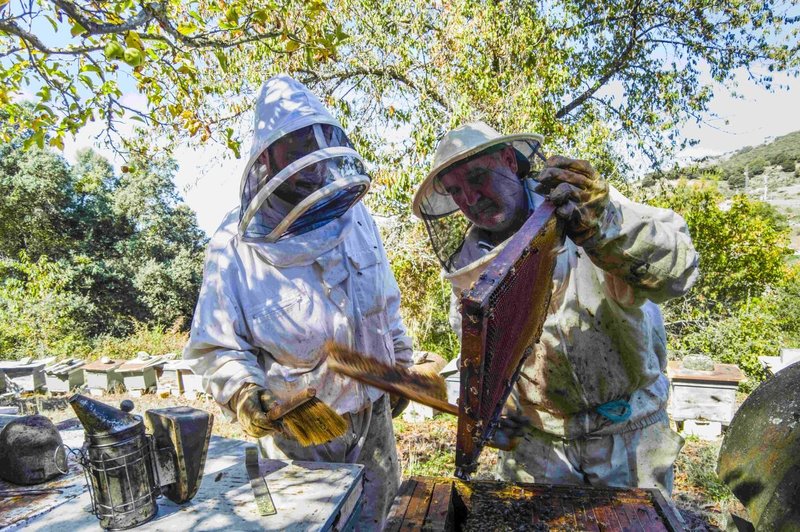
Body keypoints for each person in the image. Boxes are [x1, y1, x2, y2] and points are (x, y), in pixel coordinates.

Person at [412, 121, 699, 495]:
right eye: (455, 191)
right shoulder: (470, 270)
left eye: (478, 177)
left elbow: (679, 270)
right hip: (538, 445)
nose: (469, 198)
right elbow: (484, 362)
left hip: (627, 434)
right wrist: (490, 412)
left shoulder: (584, 209)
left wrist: (607, 226)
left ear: (509, 161)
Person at [184, 74, 413, 529]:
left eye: (314, 139)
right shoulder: (233, 245)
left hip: (375, 423)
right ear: (267, 156)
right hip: (299, 438)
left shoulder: (356, 214)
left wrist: (401, 369)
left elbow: (385, 305)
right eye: (294, 145)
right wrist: (246, 396)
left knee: (380, 522)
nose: (308, 156)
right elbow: (216, 347)